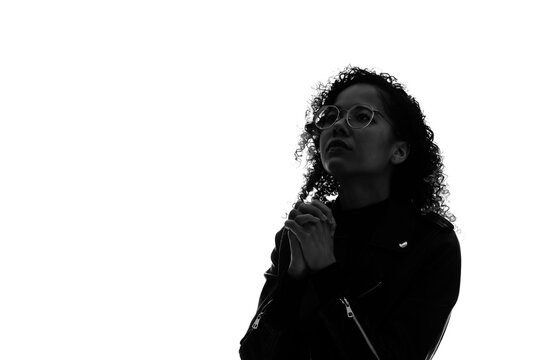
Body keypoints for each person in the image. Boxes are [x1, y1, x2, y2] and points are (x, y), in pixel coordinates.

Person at [239, 66, 461, 360]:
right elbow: (254, 354)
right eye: (330, 116)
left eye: (362, 116)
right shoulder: (302, 232)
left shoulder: (430, 244)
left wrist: (326, 273)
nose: (339, 126)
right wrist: (293, 279)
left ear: (399, 151)